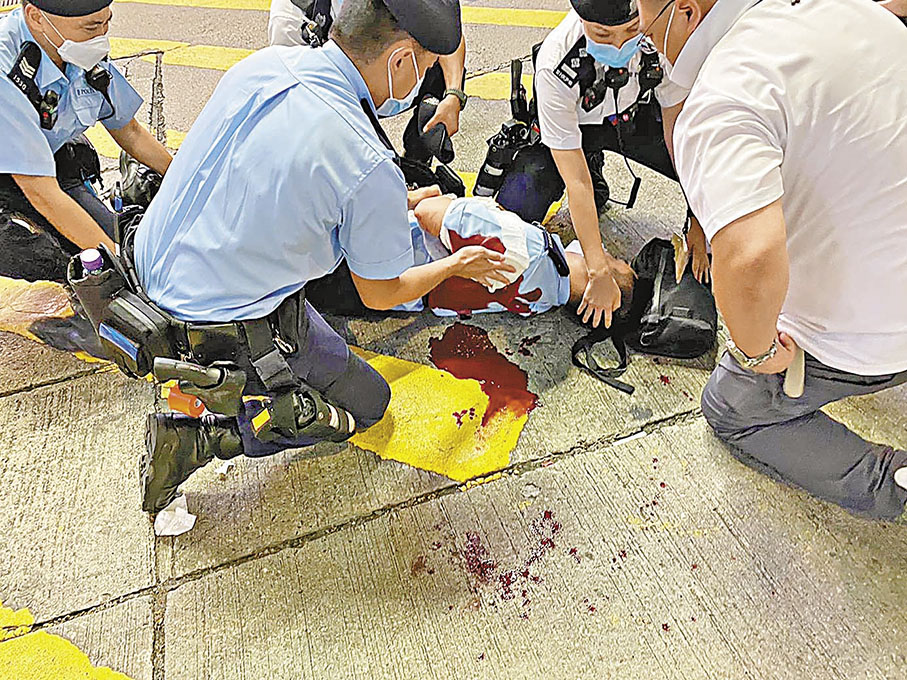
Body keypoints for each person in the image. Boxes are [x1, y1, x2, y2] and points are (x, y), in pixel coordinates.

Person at [133, 0, 513, 514]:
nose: (419, 80)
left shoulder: (262, 66)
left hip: (144, 268)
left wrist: (389, 204)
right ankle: (202, 439)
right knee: (366, 405)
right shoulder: (366, 159)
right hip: (220, 317)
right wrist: (456, 264)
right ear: (400, 61)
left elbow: (281, 182)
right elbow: (382, 293)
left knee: (331, 337)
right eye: (422, 66)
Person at [635, 0, 907, 520]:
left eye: (647, 28)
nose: (648, 43)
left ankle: (885, 483)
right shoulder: (850, 11)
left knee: (731, 405)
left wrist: (759, 352)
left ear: (686, 13)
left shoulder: (721, 97)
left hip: (877, 337)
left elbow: (752, 258)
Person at [491, 0, 708, 331]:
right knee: (514, 214)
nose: (619, 45)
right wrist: (597, 270)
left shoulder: (661, 33)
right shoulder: (558, 63)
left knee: (700, 155)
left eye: (632, 30)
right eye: (602, 34)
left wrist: (700, 220)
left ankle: (599, 169)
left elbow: (681, 135)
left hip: (634, 118)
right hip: (574, 132)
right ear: (580, 18)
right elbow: (576, 182)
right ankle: (592, 165)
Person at [0, 0, 172, 283]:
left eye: (106, 23)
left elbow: (129, 131)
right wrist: (122, 269)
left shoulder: (76, 48)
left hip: (45, 164)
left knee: (123, 246)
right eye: (91, 27)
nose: (101, 38)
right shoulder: (6, 68)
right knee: (54, 272)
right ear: (36, 17)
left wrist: (185, 179)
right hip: (25, 178)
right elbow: (42, 193)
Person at [267, 0, 468, 161]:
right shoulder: (291, 17)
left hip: (385, 78)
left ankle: (416, 160)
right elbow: (302, 111)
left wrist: (454, 95)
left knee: (445, 76)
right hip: (338, 95)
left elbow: (445, 31)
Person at [407, 194, 606, 318]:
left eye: (621, 262)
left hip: (393, 247)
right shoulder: (540, 304)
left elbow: (426, 212)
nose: (612, 255)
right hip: (407, 296)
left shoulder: (525, 246)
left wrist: (428, 195)